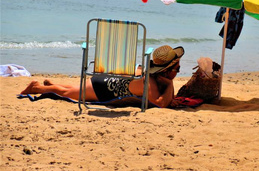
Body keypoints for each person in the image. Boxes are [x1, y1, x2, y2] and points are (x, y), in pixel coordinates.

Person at [20, 45, 184, 108]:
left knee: (74, 89)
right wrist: (169, 86)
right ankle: (37, 87)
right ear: (166, 71)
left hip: (106, 79)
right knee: (66, 94)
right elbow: (160, 104)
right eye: (177, 69)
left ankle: (51, 84)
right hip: (103, 88)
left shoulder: (146, 74)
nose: (178, 72)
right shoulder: (150, 85)